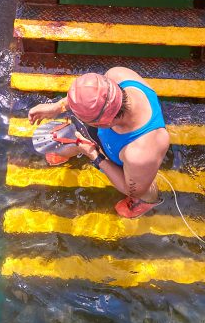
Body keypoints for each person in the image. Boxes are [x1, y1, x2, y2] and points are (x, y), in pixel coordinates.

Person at [28, 68, 170, 218]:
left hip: (132, 164)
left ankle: (144, 203)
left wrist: (94, 156)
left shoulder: (141, 152)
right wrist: (58, 107)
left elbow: (132, 189)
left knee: (143, 192)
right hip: (111, 138)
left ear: (103, 122)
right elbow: (94, 95)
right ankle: (79, 146)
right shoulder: (117, 75)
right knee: (75, 133)